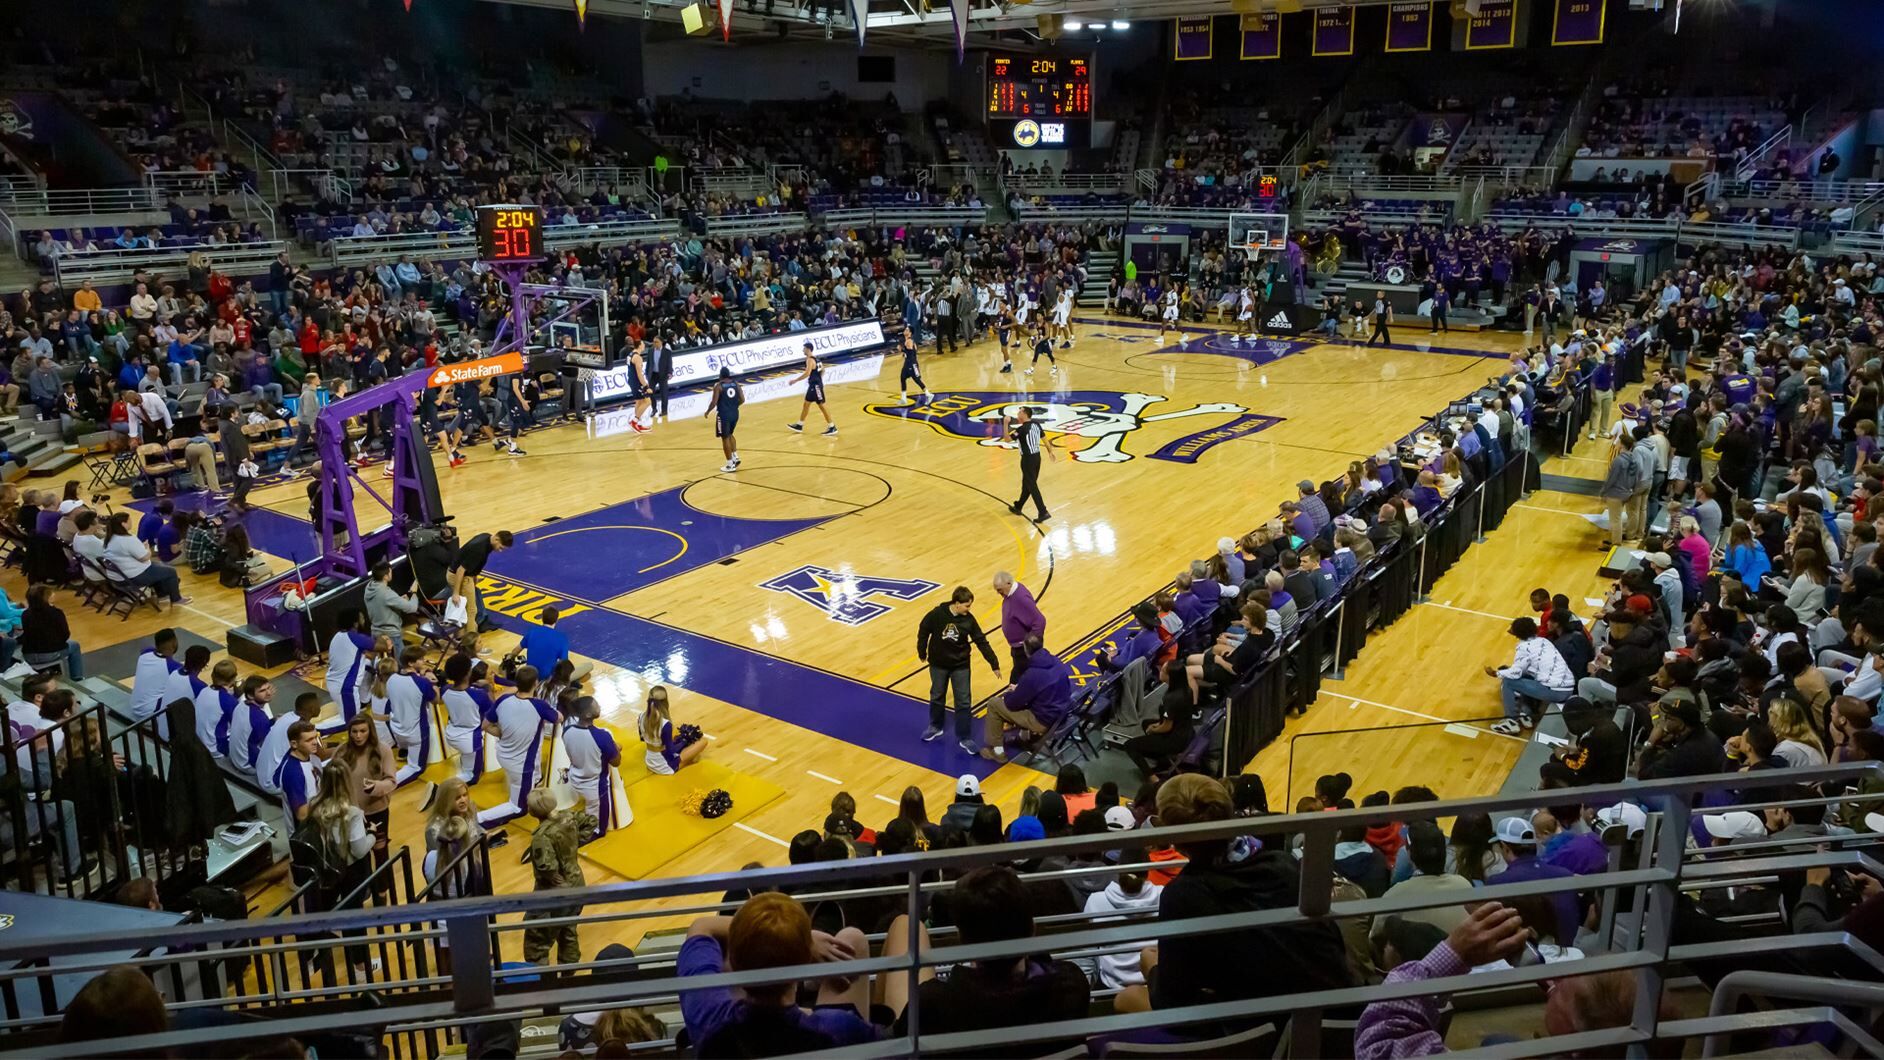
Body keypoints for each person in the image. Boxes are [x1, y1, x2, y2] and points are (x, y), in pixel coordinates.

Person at [1116, 774, 1355, 1023]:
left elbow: (1171, 1002)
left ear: (1174, 840)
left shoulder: (1181, 895)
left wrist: (1152, 967)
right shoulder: (1284, 864)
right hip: (1335, 1020)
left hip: (1265, 1029)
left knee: (1127, 997)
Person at [880, 866, 1091, 1053]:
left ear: (962, 940)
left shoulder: (932, 1003)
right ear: (1032, 929)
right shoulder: (1071, 986)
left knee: (905, 926)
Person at [679, 893, 878, 1052]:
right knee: (852, 939)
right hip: (811, 1031)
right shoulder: (839, 1027)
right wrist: (801, 940)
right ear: (806, 961)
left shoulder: (707, 1014)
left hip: (739, 1038)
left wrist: (756, 934)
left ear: (732, 961)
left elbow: (701, 927)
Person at [917, 586, 1002, 752]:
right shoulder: (937, 614)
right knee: (936, 695)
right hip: (938, 665)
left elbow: (981, 641)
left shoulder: (969, 620)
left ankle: (964, 737)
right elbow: (923, 629)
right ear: (956, 604)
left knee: (963, 701)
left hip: (960, 666)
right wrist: (922, 650)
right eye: (967, 605)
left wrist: (994, 663)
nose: (969, 609)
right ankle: (935, 726)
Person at [477, 665, 559, 827]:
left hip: (503, 754)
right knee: (519, 808)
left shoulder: (503, 699)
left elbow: (485, 725)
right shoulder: (539, 706)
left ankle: (531, 783)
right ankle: (477, 819)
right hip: (521, 765)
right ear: (536, 683)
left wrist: (501, 733)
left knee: (533, 777)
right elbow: (558, 718)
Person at [523, 789, 591, 967]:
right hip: (577, 881)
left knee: (536, 941)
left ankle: (543, 982)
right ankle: (569, 973)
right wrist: (575, 842)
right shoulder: (568, 817)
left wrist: (554, 877)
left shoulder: (541, 836)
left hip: (554, 892)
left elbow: (546, 865)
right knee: (568, 930)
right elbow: (591, 821)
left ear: (533, 811)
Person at [981, 634, 1073, 762]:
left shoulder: (1032, 674)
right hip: (1062, 714)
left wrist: (1012, 692)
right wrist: (1022, 689)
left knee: (994, 704)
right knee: (1031, 699)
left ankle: (998, 752)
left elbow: (1012, 704)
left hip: (1044, 721)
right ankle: (1025, 737)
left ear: (1025, 649)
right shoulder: (1056, 661)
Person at [1486, 617, 1576, 735]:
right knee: (1527, 677)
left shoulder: (1524, 647)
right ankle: (1526, 713)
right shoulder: (1544, 641)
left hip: (1556, 692)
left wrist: (1496, 673)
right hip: (1568, 686)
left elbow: (1515, 673)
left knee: (1509, 681)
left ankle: (1511, 721)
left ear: (1516, 633)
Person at [334, 712, 397, 868]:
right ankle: (367, 889)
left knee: (381, 852)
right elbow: (333, 779)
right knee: (358, 855)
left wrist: (376, 787)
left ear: (371, 731)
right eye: (354, 732)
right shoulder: (341, 751)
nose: (358, 736)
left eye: (363, 731)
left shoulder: (383, 750)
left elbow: (391, 781)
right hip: (351, 813)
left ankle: (382, 891)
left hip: (376, 811)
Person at [564, 695, 630, 836]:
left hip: (574, 777)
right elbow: (616, 762)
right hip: (594, 785)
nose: (599, 707)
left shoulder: (567, 730)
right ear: (588, 714)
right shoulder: (602, 736)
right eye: (596, 705)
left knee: (590, 807)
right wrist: (615, 747)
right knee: (599, 828)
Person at [385, 650, 440, 786]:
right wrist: (433, 684)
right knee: (416, 768)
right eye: (420, 659)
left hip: (396, 730)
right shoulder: (422, 683)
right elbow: (436, 700)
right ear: (410, 663)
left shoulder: (391, 679)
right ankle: (384, 786)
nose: (423, 661)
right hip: (415, 733)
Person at [323, 608, 374, 733]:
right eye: (361, 618)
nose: (364, 620)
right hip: (345, 689)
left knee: (369, 666)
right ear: (355, 623)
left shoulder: (338, 636)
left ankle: (363, 701)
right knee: (351, 723)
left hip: (335, 682)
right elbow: (383, 646)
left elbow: (366, 655)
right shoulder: (356, 638)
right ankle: (316, 730)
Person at [639, 685, 705, 774]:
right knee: (703, 742)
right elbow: (671, 751)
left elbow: (642, 738)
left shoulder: (641, 716)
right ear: (665, 701)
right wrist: (684, 741)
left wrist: (678, 740)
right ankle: (683, 763)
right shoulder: (665, 724)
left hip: (649, 761)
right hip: (664, 766)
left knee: (676, 740)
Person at [993, 570, 1046, 675]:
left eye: (999, 590)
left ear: (1008, 584)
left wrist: (1031, 646)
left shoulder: (1020, 598)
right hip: (1018, 649)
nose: (998, 593)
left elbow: (1040, 621)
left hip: (1024, 651)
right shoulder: (1010, 594)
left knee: (1020, 680)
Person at [363, 562, 418, 663]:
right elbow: (412, 608)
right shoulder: (386, 593)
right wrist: (414, 593)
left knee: (375, 666)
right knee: (401, 665)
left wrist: (398, 600)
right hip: (391, 635)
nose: (392, 574)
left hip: (375, 633)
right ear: (385, 576)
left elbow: (381, 603)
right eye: (390, 572)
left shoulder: (369, 587)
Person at [1008, 404, 1054, 523]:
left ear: (1024, 414)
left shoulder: (1021, 430)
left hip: (1027, 459)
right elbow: (1044, 438)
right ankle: (1019, 506)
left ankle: (1043, 511)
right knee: (1027, 483)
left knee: (1031, 485)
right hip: (1037, 458)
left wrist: (1005, 423)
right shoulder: (1036, 424)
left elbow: (1007, 439)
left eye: (1019, 412)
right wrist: (1050, 452)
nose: (1017, 415)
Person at [786, 342, 837, 436]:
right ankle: (799, 425)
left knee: (822, 406)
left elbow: (807, 373)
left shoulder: (809, 360)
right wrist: (819, 379)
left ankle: (832, 427)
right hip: (814, 385)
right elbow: (823, 370)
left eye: (804, 348)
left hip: (815, 386)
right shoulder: (816, 358)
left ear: (808, 349)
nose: (803, 350)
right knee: (806, 404)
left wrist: (795, 380)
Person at [704, 366, 744, 473]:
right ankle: (735, 457)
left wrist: (708, 411)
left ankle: (730, 464)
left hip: (724, 415)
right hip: (735, 413)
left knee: (725, 438)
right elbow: (743, 399)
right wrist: (734, 406)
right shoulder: (736, 384)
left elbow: (714, 402)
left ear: (720, 375)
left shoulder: (719, 386)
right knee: (730, 434)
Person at [897, 327, 930, 403]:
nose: (905, 331)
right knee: (902, 378)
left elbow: (910, 353)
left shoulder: (909, 341)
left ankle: (928, 394)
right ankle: (903, 398)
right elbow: (911, 352)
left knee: (917, 380)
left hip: (911, 364)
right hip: (908, 363)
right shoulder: (909, 341)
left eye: (907, 330)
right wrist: (904, 353)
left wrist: (901, 350)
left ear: (910, 333)